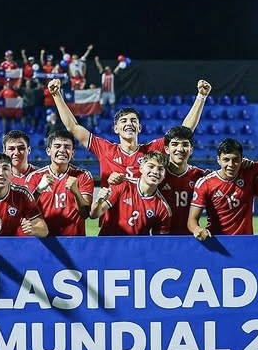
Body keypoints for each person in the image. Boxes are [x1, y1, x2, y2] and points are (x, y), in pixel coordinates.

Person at [46, 76, 212, 186]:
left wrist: (201, 97)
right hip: (111, 228)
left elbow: (184, 131)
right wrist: (56, 96)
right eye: (123, 121)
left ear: (139, 127)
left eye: (134, 121)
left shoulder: (152, 150)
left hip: (143, 228)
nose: (129, 124)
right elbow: (73, 127)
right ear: (115, 128)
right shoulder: (105, 149)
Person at [188, 138, 258, 239]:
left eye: (235, 160)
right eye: (226, 160)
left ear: (242, 159)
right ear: (218, 160)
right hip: (218, 241)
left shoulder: (249, 171)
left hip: (245, 242)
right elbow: (191, 220)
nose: (231, 165)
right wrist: (197, 230)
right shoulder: (205, 183)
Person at [90, 151, 173, 236]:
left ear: (164, 175)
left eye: (160, 169)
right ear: (141, 168)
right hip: (108, 245)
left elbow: (159, 243)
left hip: (136, 248)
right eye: (151, 166)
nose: (155, 172)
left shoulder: (163, 208)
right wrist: (98, 201)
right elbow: (94, 215)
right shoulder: (123, 185)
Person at [31, 130, 94, 236]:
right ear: (48, 151)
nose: (62, 150)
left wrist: (76, 192)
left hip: (75, 242)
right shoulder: (35, 177)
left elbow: (85, 214)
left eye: (67, 147)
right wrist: (38, 191)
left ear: (73, 153)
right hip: (44, 241)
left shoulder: (83, 176)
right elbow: (25, 212)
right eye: (57, 146)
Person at [157, 125, 207, 235]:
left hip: (190, 239)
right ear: (166, 149)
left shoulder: (200, 176)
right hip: (160, 240)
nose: (180, 149)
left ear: (191, 150)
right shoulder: (156, 175)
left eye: (185, 144)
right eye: (174, 144)